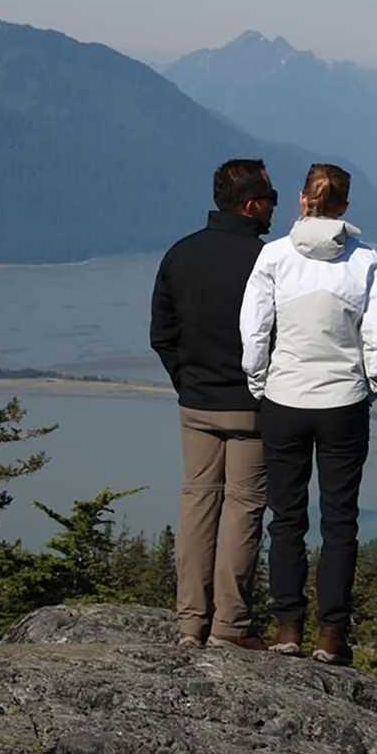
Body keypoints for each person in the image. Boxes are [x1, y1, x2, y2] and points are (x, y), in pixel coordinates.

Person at [239, 163, 377, 665]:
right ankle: (331, 636)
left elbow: (255, 328)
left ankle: (287, 628)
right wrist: (368, 382)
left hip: (284, 399)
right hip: (343, 403)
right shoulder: (365, 259)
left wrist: (260, 381)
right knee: (340, 520)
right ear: (344, 208)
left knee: (286, 517)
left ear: (303, 200)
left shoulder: (274, 256)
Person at [149, 158, 278, 650]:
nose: (273, 211)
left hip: (197, 405)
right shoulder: (267, 262)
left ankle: (189, 625)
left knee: (198, 502)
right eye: (270, 201)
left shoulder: (179, 255)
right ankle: (229, 626)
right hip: (251, 407)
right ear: (250, 205)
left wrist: (188, 382)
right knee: (243, 508)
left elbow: (162, 334)